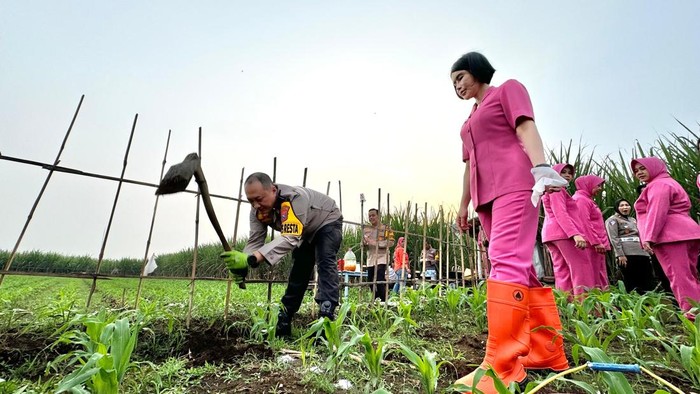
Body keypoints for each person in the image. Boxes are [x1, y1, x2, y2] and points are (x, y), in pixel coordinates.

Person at [450, 51, 569, 393]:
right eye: (453, 83)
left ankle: (501, 366)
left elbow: (525, 125)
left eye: (460, 77)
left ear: (477, 71)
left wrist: (541, 167)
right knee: (519, 269)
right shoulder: (468, 121)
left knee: (504, 263)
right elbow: (469, 165)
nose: (457, 85)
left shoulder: (506, 90)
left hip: (515, 183)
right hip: (486, 196)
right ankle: (544, 351)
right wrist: (464, 204)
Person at [219, 172, 343, 337]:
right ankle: (284, 319)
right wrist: (243, 261)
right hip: (305, 232)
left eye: (259, 199)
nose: (255, 205)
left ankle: (325, 319)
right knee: (299, 268)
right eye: (251, 201)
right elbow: (255, 240)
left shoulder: (294, 199)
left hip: (327, 221)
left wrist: (253, 258)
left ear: (273, 190)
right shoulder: (257, 211)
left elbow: (290, 237)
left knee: (325, 261)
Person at [632, 157, 700, 319]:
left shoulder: (658, 185)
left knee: (679, 277)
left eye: (643, 168)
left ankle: (692, 315)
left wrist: (649, 237)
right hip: (686, 232)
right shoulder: (668, 182)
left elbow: (657, 212)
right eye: (636, 170)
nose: (639, 173)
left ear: (655, 167)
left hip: (670, 236)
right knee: (689, 275)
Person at [541, 163, 592, 296]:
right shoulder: (557, 189)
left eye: (569, 173)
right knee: (581, 268)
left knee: (562, 270)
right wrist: (575, 234)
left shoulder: (550, 189)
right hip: (564, 234)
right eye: (563, 172)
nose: (567, 175)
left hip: (551, 234)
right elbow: (561, 213)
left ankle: (567, 305)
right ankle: (587, 307)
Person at [605, 199, 657, 293]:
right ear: (617, 208)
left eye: (627, 205)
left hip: (642, 253)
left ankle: (648, 302)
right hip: (627, 254)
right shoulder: (613, 220)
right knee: (631, 279)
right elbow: (614, 238)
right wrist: (620, 254)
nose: (625, 207)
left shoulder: (633, 220)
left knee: (646, 279)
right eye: (622, 205)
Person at [572, 175, 611, 290]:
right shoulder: (581, 200)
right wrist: (596, 242)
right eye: (598, 185)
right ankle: (597, 303)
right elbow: (583, 222)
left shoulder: (587, 199)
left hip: (596, 243)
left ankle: (604, 303)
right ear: (588, 184)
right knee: (593, 276)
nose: (600, 188)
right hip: (591, 244)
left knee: (599, 274)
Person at [362, 208, 394, 301]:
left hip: (382, 257)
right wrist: (364, 243)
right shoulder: (366, 229)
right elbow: (364, 244)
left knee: (380, 278)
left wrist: (375, 243)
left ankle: (384, 299)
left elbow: (391, 242)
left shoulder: (386, 228)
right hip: (371, 258)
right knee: (370, 280)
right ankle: (376, 298)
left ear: (378, 216)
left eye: (373, 215)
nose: (371, 217)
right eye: (369, 216)